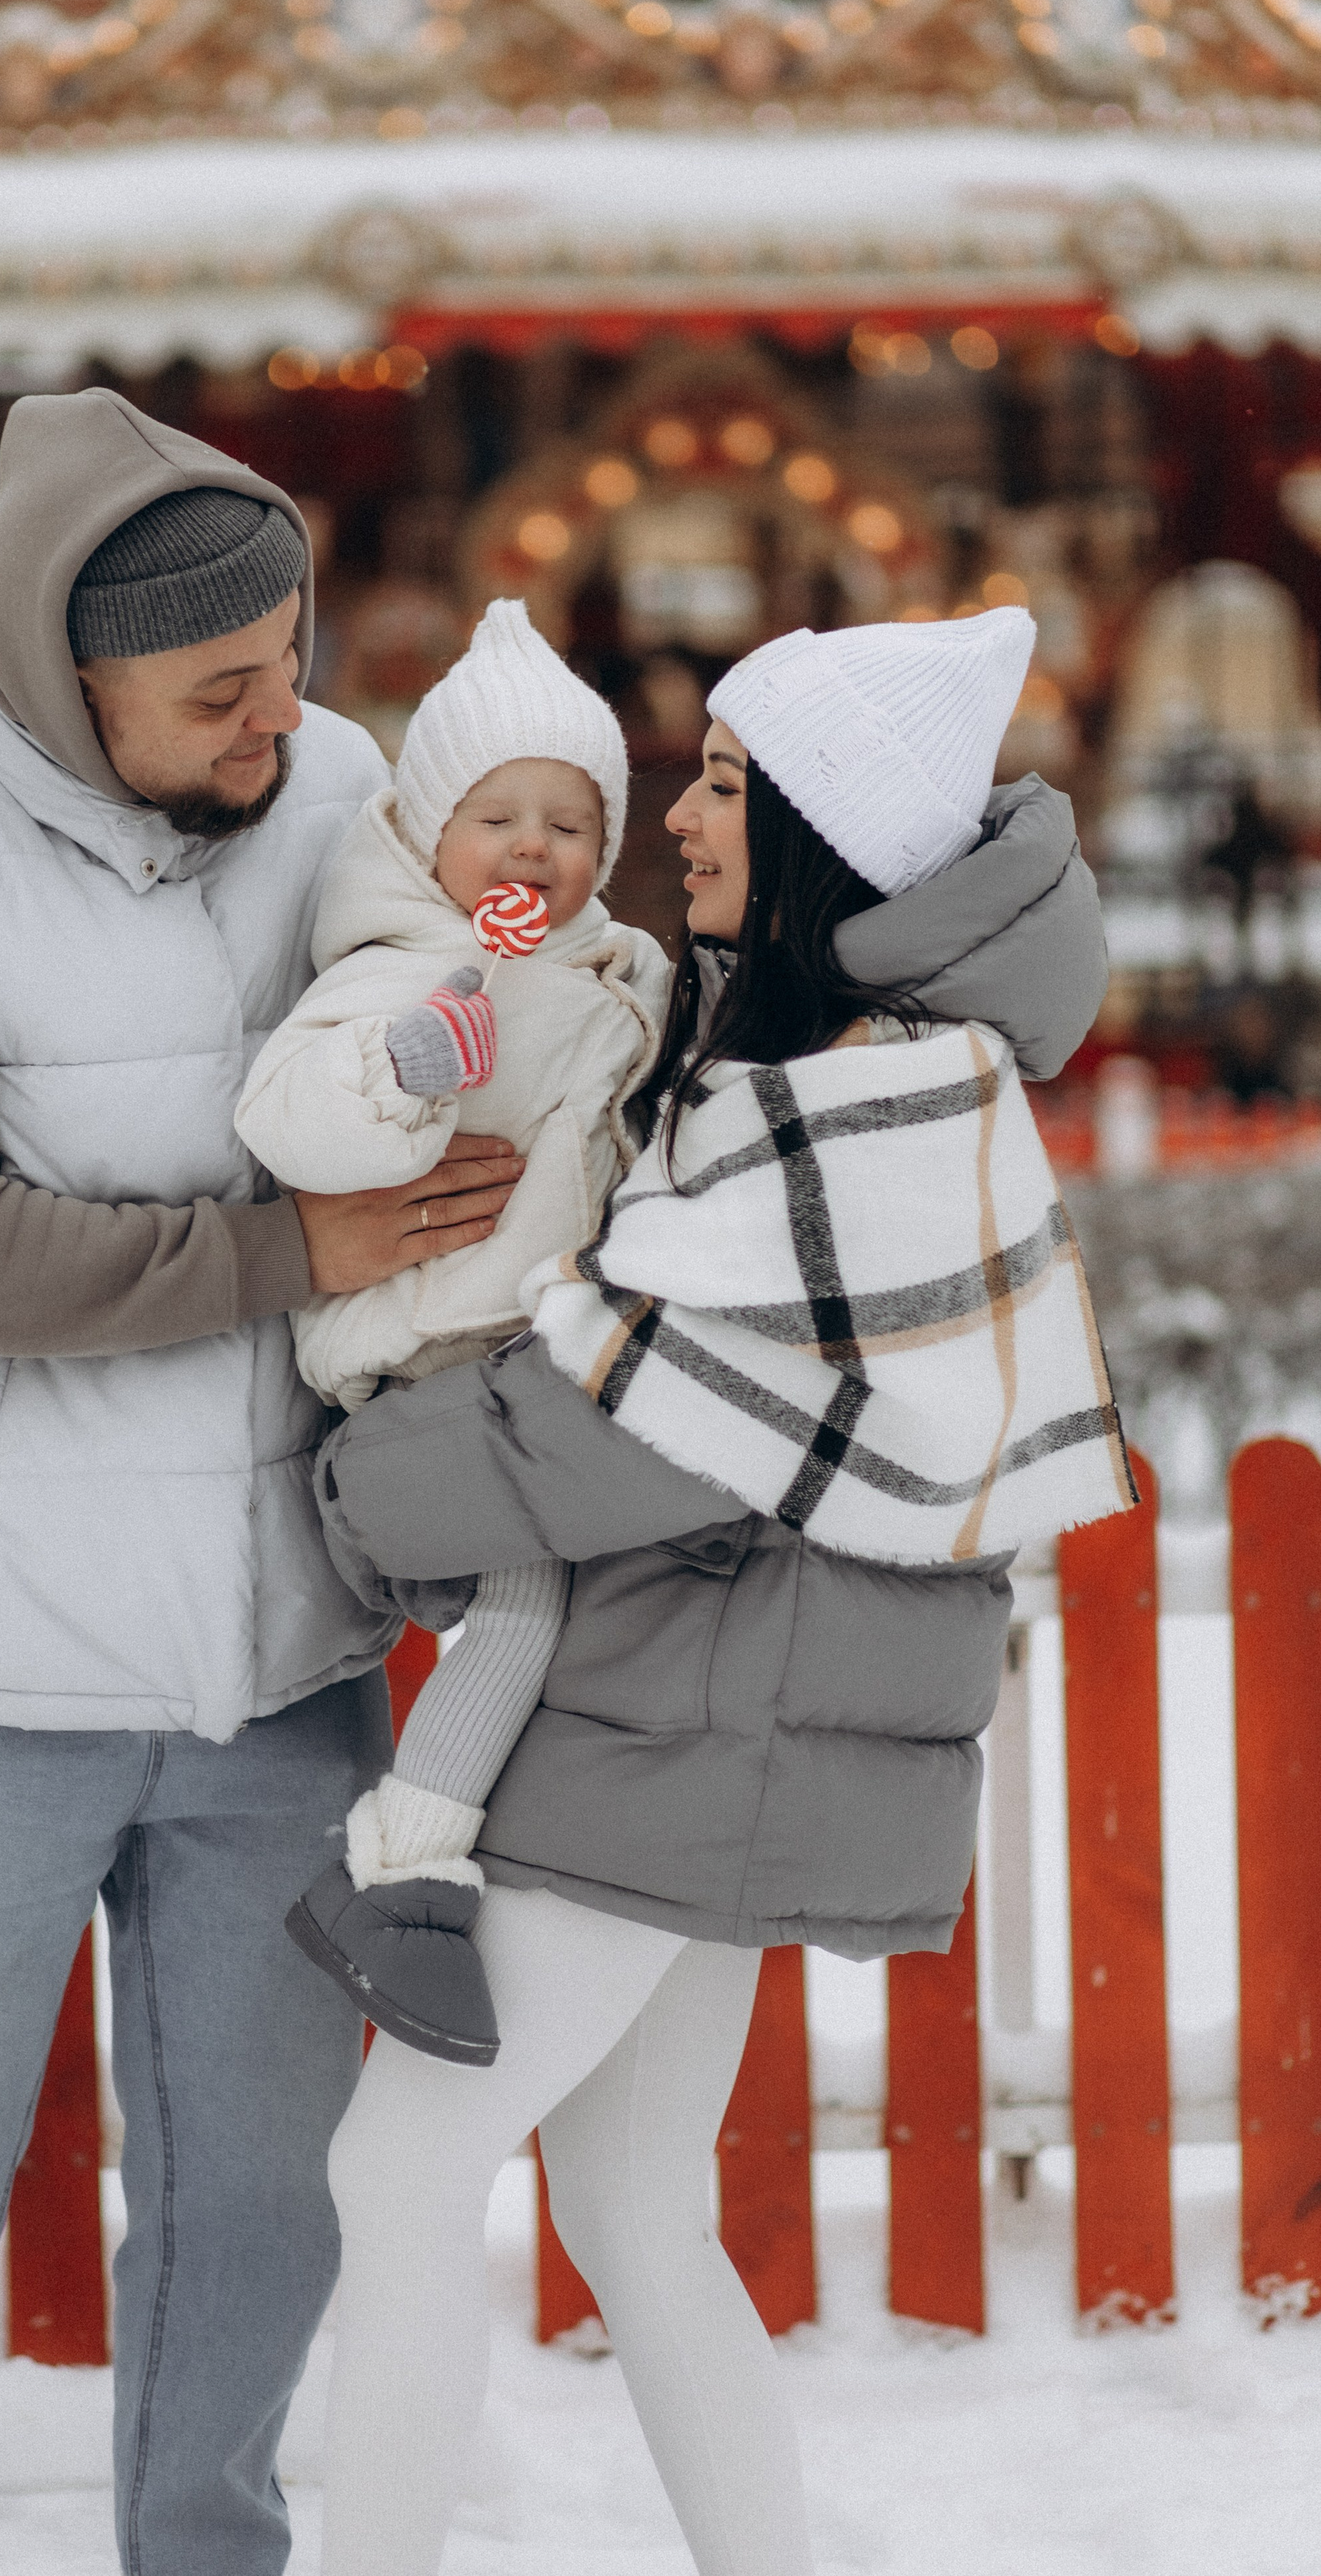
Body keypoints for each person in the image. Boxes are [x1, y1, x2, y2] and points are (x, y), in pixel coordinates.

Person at [0, 388, 522, 2576]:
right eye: (221, 689)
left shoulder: (338, 785)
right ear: (63, 678)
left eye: (289, 662)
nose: (284, 716)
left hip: (274, 1647)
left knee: (259, 2198)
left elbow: (464, 1012)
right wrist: (287, 1253)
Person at [305, 606, 1130, 2576]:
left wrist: (346, 1478)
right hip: (714, 1702)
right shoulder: (836, 1055)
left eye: (730, 789)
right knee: (630, 2202)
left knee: (403, 2171)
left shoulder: (874, 1105)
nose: (679, 818)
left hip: (703, 1721)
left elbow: (613, 1425)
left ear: (832, 833)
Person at [234, 599, 669, 2065]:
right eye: (498, 819)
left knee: (599, 1601)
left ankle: (510, 1842)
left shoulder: (611, 985)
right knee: (536, 1600)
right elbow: (286, 1112)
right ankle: (403, 1879)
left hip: (530, 1365)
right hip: (425, 1369)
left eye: (568, 825)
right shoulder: (398, 973)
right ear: (429, 838)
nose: (533, 850)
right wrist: (412, 1065)